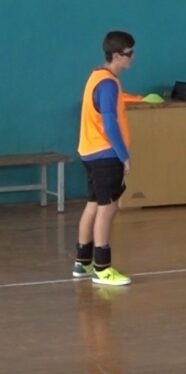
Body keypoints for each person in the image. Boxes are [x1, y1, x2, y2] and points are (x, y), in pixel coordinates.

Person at [73, 31, 139, 286]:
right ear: (116, 56)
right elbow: (110, 124)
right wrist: (124, 156)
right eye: (129, 54)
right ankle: (102, 267)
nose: (132, 58)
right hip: (105, 155)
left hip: (89, 152)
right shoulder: (108, 83)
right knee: (106, 209)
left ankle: (83, 261)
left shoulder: (97, 76)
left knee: (93, 204)